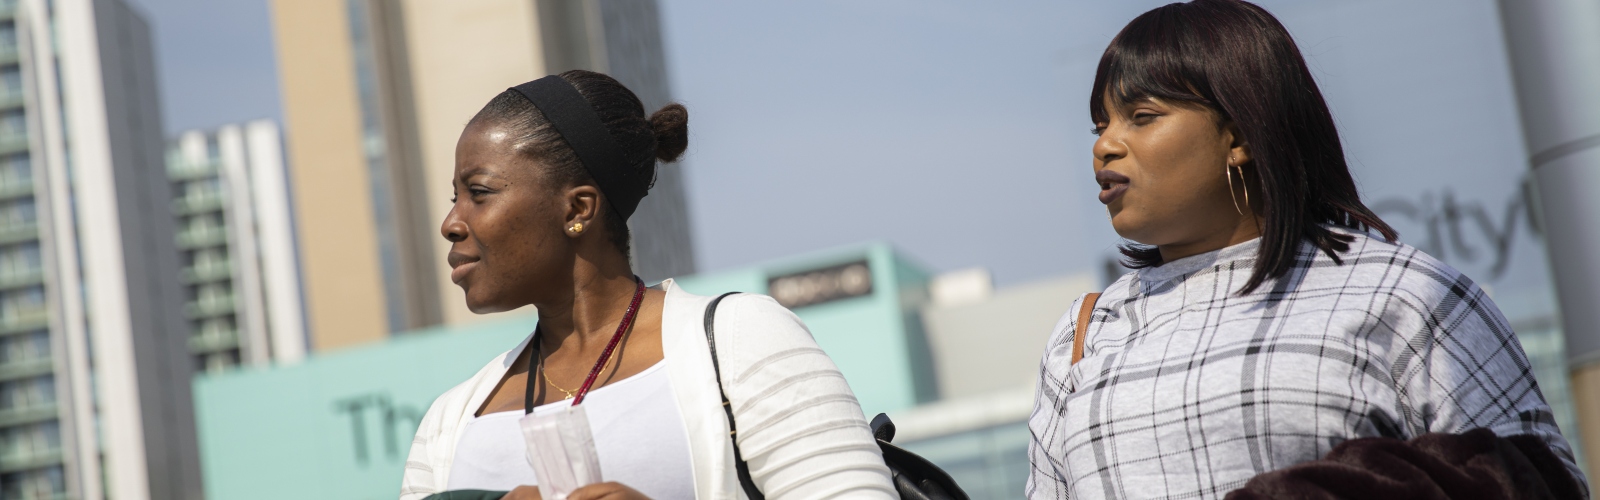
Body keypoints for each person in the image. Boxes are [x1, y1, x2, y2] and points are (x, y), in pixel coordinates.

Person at [1026, 1, 1586, 498]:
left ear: (1239, 134)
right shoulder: (1085, 334)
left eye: (1142, 117)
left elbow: (1539, 475)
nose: (1105, 145)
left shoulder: (1402, 294)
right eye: (1100, 124)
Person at [400, 70, 897, 500]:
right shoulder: (449, 423)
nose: (450, 222)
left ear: (577, 209)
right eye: (455, 197)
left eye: (478, 193)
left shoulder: (739, 341)